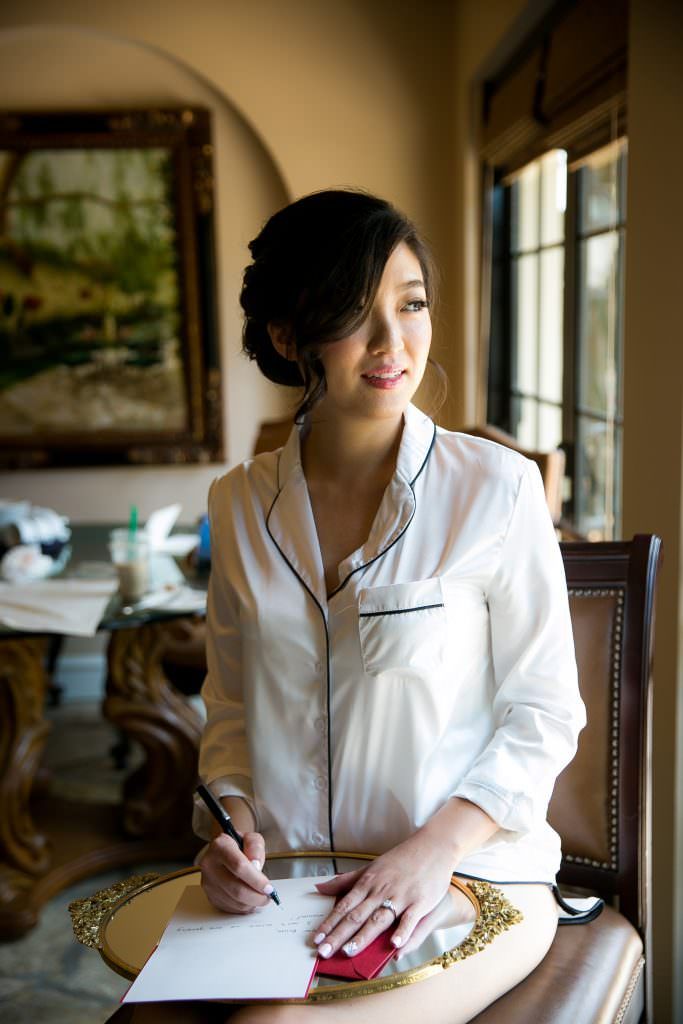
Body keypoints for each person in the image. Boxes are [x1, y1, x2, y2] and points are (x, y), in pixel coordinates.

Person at [192, 189, 585, 1023]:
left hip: (466, 876)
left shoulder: (497, 490)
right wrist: (231, 831)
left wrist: (432, 851)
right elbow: (228, 709)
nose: (391, 342)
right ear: (288, 335)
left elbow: (544, 714)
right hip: (291, 891)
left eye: (410, 305)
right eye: (353, 312)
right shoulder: (237, 502)